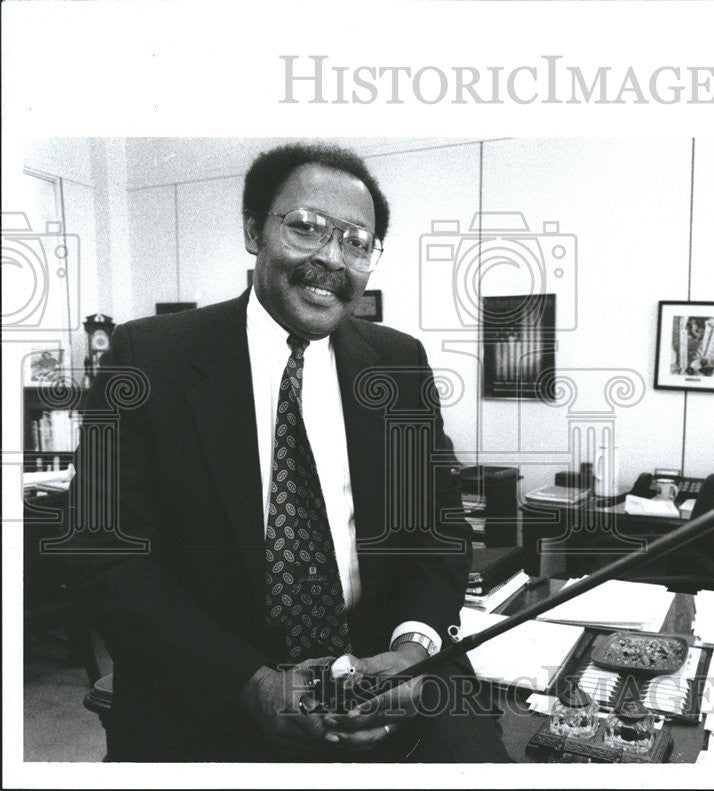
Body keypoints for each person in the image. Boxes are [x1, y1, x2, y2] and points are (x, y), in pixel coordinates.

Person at [70, 143, 510, 762]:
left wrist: (413, 649)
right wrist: (252, 683)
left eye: (358, 241)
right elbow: (105, 557)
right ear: (254, 231)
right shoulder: (148, 357)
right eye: (306, 228)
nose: (332, 258)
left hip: (376, 693)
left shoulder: (399, 363)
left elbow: (436, 533)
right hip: (202, 702)